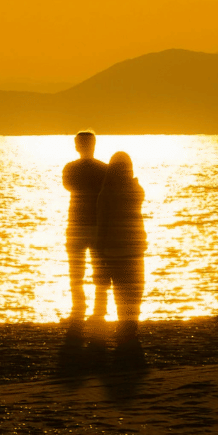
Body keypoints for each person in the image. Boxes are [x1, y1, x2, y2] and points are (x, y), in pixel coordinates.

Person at [96, 151, 146, 361]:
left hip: (115, 250)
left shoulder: (107, 193)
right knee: (133, 292)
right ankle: (129, 331)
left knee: (121, 294)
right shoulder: (136, 189)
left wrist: (100, 250)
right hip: (134, 248)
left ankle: (125, 332)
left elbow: (102, 224)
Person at [62, 131, 110, 323]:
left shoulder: (71, 168)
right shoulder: (105, 169)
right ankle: (98, 310)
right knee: (98, 268)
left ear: (77, 146)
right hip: (95, 224)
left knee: (77, 269)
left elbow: (68, 186)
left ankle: (80, 309)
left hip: (78, 223)